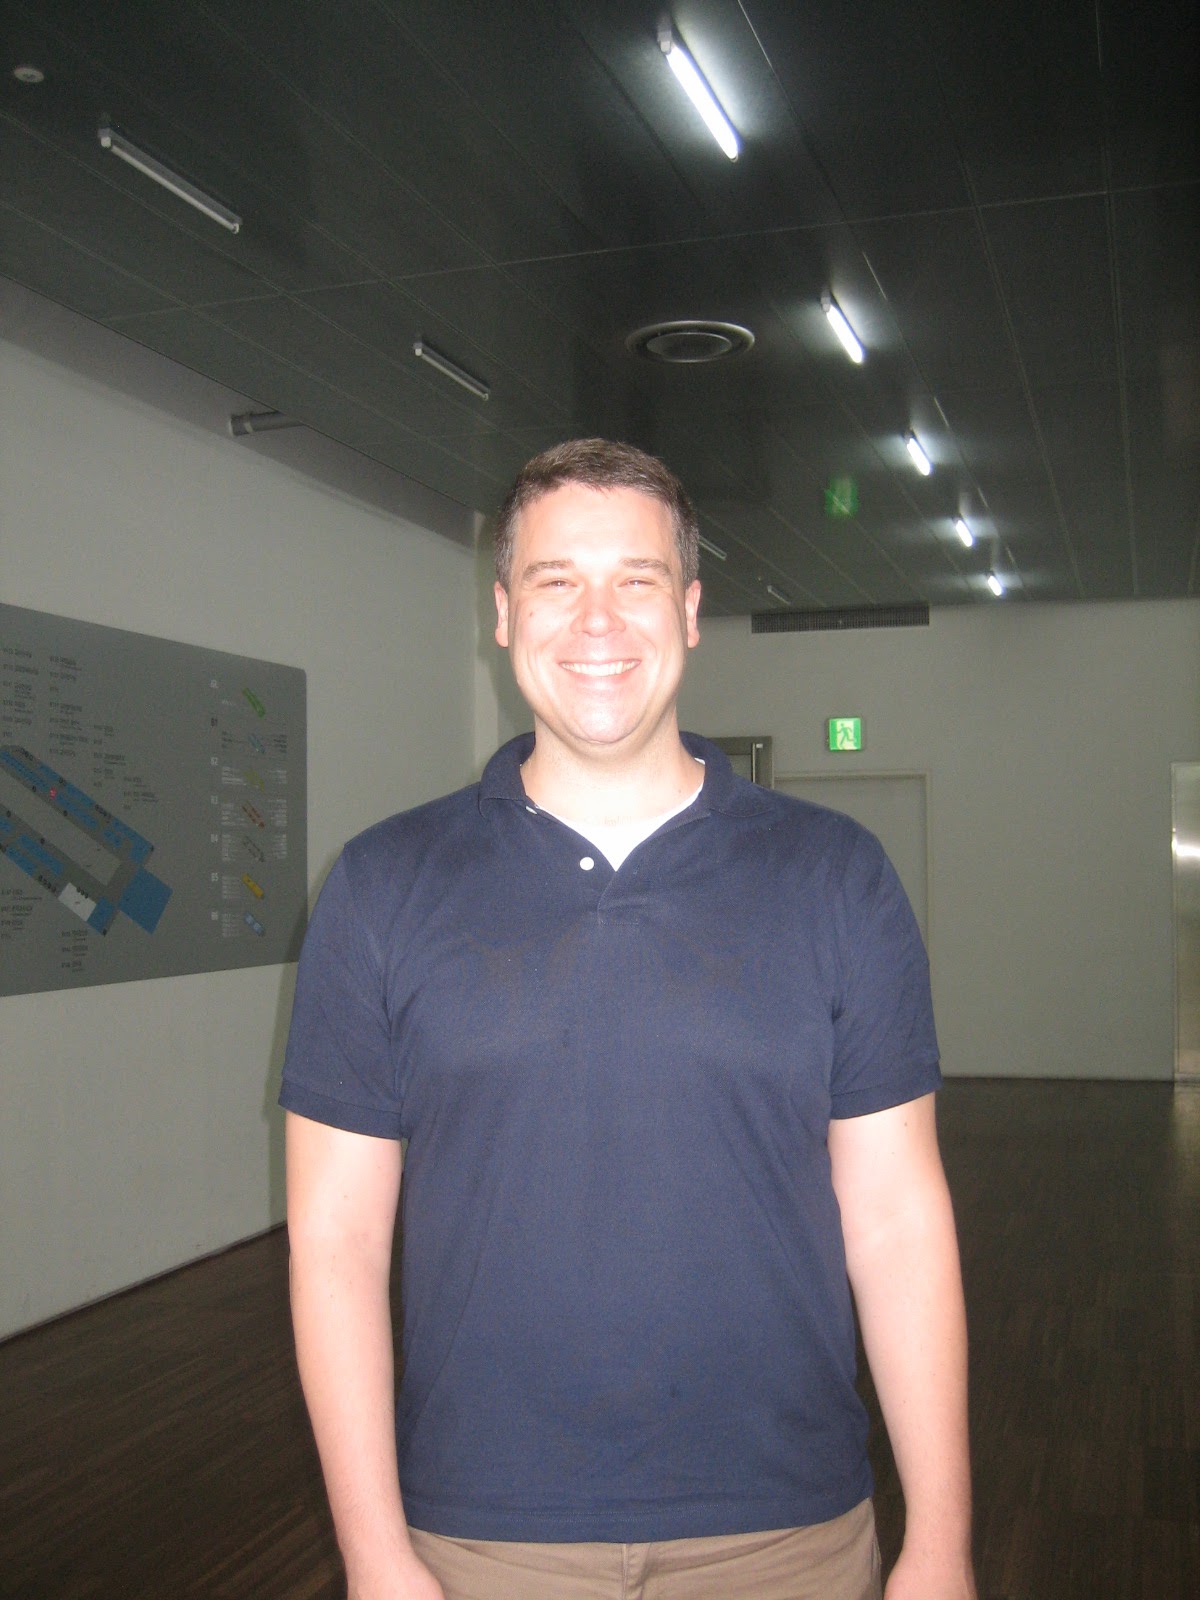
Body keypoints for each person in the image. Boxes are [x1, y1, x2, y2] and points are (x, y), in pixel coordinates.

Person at [281, 438, 977, 1600]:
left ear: (691, 611)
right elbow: (337, 1242)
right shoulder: (380, 886)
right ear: (503, 613)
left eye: (636, 580)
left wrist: (941, 1544)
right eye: (556, 580)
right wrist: (373, 1554)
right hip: (480, 1538)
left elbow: (899, 1220)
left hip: (787, 1533)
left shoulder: (835, 877)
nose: (596, 620)